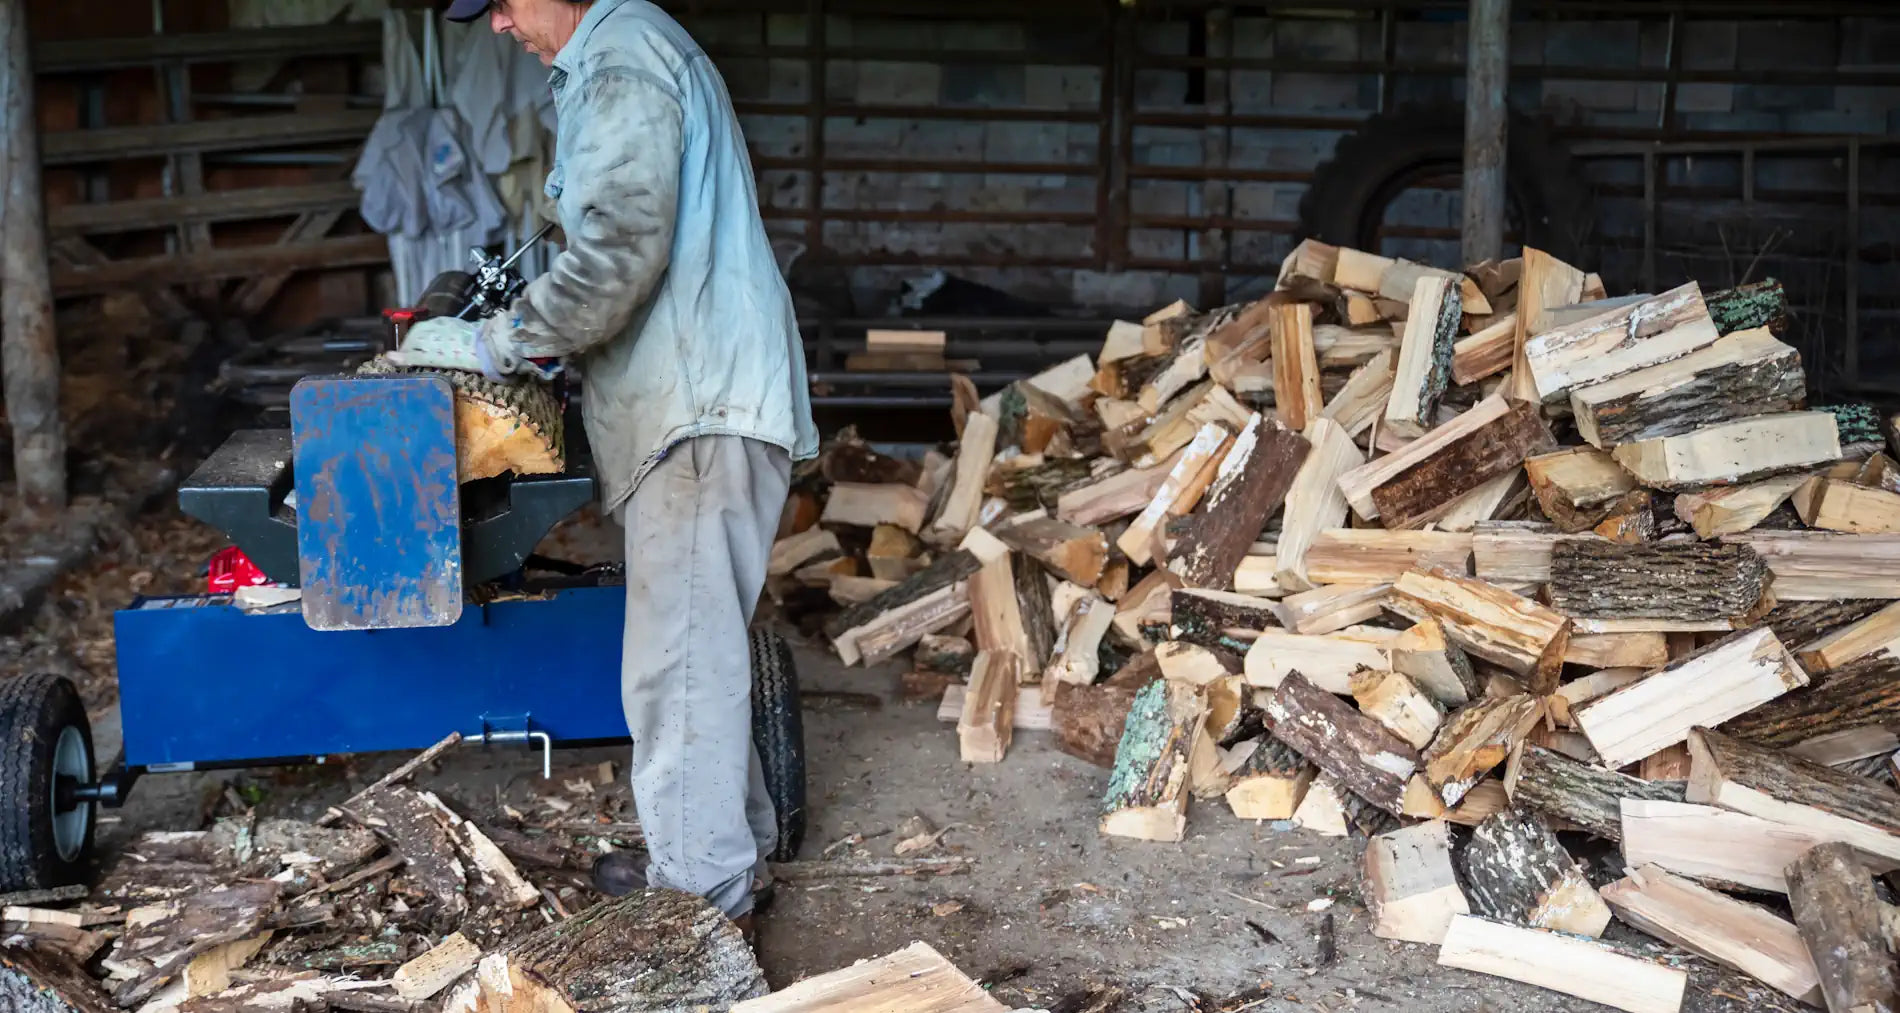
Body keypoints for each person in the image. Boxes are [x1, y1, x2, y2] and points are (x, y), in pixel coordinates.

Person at [390, 0, 818, 943]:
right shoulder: (622, 53)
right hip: (697, 400)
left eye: (500, 3)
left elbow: (621, 251)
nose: (498, 26)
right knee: (696, 649)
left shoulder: (620, 58)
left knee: (675, 667)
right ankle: (723, 855)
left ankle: (701, 911)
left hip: (698, 408)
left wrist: (498, 342)